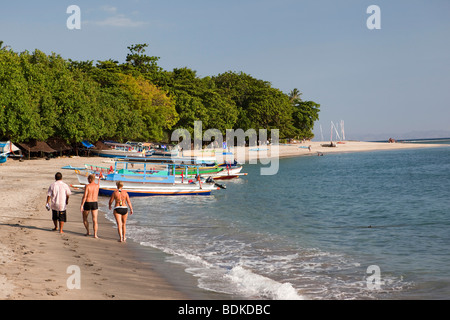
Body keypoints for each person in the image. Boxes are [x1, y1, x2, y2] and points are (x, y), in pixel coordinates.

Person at [80, 174, 100, 238]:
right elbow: (98, 183)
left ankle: (88, 231)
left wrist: (82, 205)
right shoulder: (97, 186)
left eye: (88, 179)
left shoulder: (87, 186)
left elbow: (85, 196)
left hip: (88, 202)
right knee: (95, 219)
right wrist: (99, 179)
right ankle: (95, 234)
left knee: (85, 218)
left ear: (90, 179)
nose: (87, 180)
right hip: (94, 203)